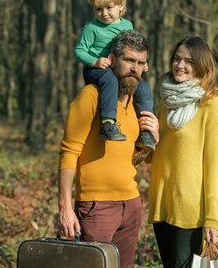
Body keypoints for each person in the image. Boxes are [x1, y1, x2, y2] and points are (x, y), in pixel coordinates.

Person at [58, 30, 160, 268]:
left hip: (131, 204)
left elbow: (137, 158)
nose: (134, 68)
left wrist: (154, 137)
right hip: (96, 206)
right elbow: (69, 151)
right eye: (129, 61)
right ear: (112, 60)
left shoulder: (139, 104)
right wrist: (64, 206)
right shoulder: (91, 96)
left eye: (141, 63)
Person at [147, 36, 218, 268]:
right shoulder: (165, 98)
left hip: (190, 209)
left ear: (202, 65)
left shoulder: (210, 104)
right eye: (177, 59)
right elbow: (153, 155)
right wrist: (149, 135)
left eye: (189, 61)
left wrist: (212, 219)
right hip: (162, 201)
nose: (180, 65)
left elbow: (212, 166)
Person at [74, 0, 156, 150]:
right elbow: (79, 50)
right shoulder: (91, 29)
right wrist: (94, 61)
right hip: (96, 69)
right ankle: (108, 123)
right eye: (98, 9)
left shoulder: (127, 25)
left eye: (109, 8)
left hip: (118, 68)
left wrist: (142, 63)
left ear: (121, 6)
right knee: (110, 80)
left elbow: (134, 47)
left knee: (143, 87)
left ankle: (146, 131)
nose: (104, 13)